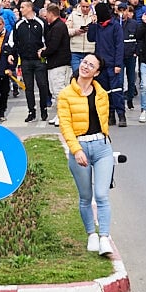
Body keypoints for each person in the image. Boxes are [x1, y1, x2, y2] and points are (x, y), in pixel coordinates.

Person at [57, 54, 115, 257]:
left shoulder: (102, 95)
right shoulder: (65, 94)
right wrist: (76, 150)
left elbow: (104, 123)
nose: (86, 66)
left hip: (101, 147)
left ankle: (104, 237)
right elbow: (65, 125)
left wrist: (105, 142)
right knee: (85, 197)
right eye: (84, 62)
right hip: (80, 147)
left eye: (91, 65)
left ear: (96, 72)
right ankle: (91, 233)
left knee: (101, 195)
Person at [88, 2, 125, 127]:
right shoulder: (97, 26)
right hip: (101, 65)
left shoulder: (115, 26)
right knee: (105, 92)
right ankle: (110, 115)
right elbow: (90, 38)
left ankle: (121, 115)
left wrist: (118, 64)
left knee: (116, 91)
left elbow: (119, 46)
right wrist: (92, 24)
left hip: (113, 64)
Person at [12, 0, 50, 123]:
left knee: (42, 85)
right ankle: (31, 111)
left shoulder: (41, 23)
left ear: (29, 8)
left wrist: (44, 51)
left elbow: (47, 40)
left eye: (23, 7)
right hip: (25, 60)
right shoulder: (18, 24)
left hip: (39, 60)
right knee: (28, 87)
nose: (20, 9)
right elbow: (14, 41)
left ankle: (43, 108)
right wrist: (13, 54)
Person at [42, 2, 72, 126]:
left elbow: (53, 46)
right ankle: (59, 113)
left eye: (46, 14)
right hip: (55, 63)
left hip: (59, 63)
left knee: (59, 90)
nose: (45, 17)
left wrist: (43, 53)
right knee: (54, 91)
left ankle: (63, 116)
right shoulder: (55, 26)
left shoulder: (59, 27)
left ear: (50, 13)